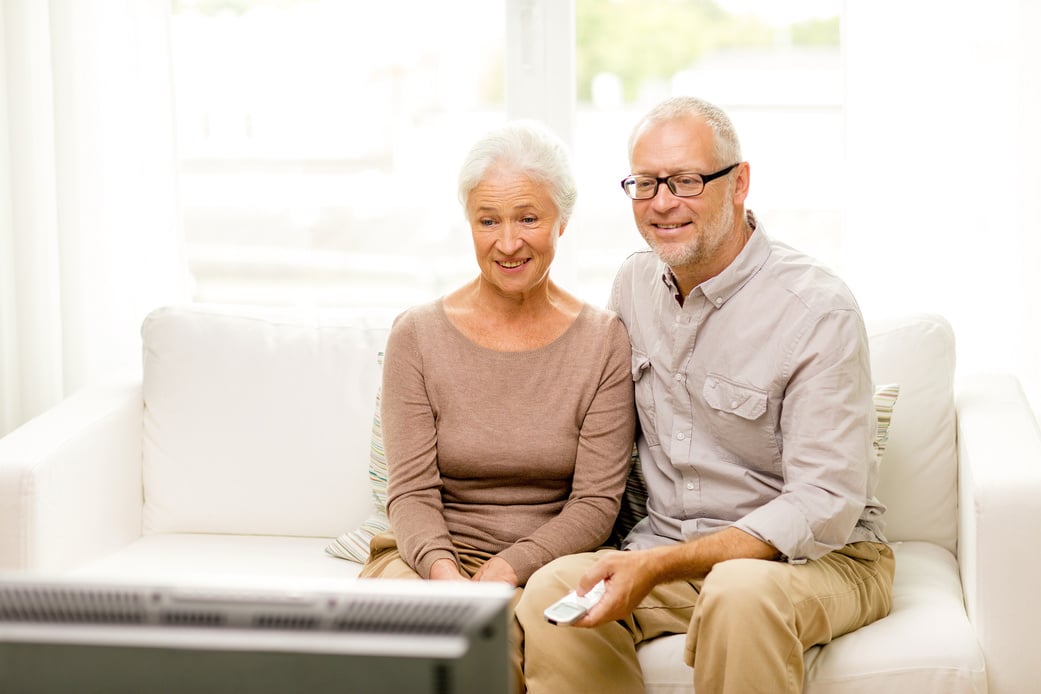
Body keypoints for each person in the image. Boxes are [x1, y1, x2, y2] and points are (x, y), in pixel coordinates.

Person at [515, 96, 894, 694]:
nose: (662, 203)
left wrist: (657, 565)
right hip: (670, 549)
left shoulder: (817, 309)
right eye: (645, 184)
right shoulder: (635, 283)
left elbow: (823, 502)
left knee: (738, 590)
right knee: (553, 591)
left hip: (816, 561)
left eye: (686, 181)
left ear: (739, 182)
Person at [359, 121, 637, 684]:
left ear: (563, 220)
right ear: (470, 223)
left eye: (528, 219)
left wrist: (507, 571)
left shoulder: (603, 340)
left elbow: (595, 504)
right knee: (448, 639)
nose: (508, 243)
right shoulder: (415, 335)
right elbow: (410, 492)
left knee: (536, 633)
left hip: (553, 565)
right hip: (428, 561)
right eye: (489, 221)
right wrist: (447, 578)